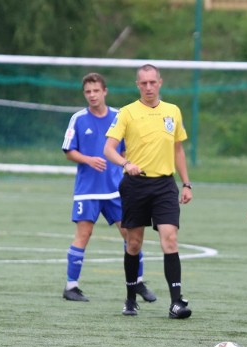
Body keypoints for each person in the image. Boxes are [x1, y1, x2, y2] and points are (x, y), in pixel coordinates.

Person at [103, 64, 193, 319]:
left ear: (160, 82)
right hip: (135, 185)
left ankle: (176, 302)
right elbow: (108, 149)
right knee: (134, 243)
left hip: (165, 185)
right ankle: (131, 297)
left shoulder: (172, 111)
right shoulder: (127, 113)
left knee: (170, 239)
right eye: (144, 83)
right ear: (138, 85)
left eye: (153, 82)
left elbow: (178, 150)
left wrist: (186, 183)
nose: (149, 87)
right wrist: (126, 164)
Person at [61, 72, 155, 304]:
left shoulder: (119, 116)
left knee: (130, 235)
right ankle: (71, 286)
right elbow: (68, 150)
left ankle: (138, 282)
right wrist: (88, 160)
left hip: (116, 190)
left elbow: (125, 150)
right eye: (88, 92)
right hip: (88, 191)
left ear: (105, 91)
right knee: (83, 235)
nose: (92, 95)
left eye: (96, 91)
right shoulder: (78, 119)